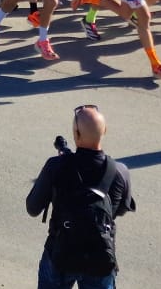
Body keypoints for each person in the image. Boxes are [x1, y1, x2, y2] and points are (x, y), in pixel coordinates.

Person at [25, 104, 134, 289]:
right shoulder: (120, 172)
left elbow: (32, 208)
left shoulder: (56, 166)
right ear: (105, 131)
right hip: (100, 258)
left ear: (76, 134)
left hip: (60, 254)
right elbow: (121, 209)